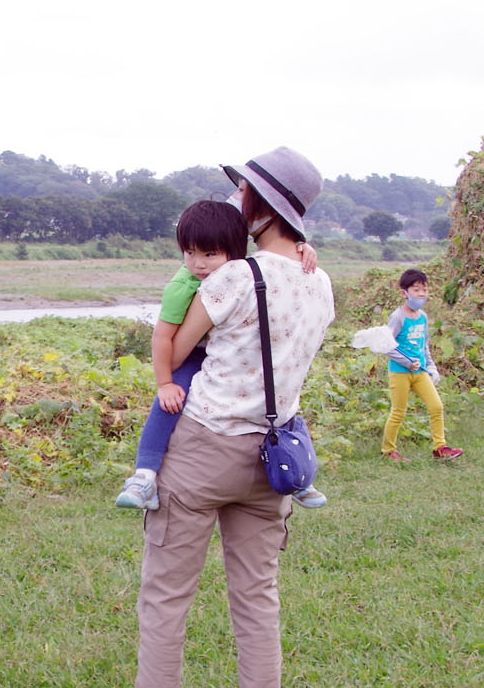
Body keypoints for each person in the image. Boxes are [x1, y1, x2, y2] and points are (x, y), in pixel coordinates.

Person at [104, 146, 335, 688]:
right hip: (273, 456)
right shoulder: (320, 282)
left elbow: (178, 344)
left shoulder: (234, 276)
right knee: (257, 598)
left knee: (166, 597)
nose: (236, 201)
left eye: (244, 193)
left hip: (203, 447)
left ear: (261, 205)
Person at [116, 199, 327, 511]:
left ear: (234, 250)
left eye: (209, 254)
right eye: (190, 253)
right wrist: (164, 382)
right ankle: (144, 474)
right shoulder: (183, 285)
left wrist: (302, 246)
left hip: (231, 354)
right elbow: (162, 337)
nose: (199, 264)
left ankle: (296, 473)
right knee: (170, 401)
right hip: (192, 356)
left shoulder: (242, 271)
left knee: (278, 396)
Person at [380, 268, 463, 463]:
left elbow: (424, 345)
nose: (421, 294)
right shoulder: (398, 317)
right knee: (398, 411)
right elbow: (386, 345)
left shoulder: (423, 317)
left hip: (421, 372)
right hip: (400, 373)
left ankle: (440, 447)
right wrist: (407, 362)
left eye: (424, 290)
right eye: (416, 290)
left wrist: (432, 368)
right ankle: (388, 450)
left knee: (436, 406)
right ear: (405, 293)